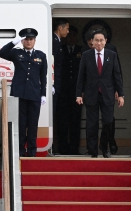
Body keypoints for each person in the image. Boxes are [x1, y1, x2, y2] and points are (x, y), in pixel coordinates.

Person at [0, 28, 47, 157]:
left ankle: (31, 151)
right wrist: (13, 42)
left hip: (35, 94)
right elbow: (1, 53)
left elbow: (43, 77)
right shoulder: (16, 53)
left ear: (35, 40)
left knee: (33, 124)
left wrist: (43, 94)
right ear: (22, 41)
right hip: (20, 93)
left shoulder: (41, 55)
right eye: (26, 39)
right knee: (20, 123)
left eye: (31, 39)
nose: (28, 41)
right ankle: (19, 150)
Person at [76, 29, 124, 158]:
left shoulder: (111, 55)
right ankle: (92, 150)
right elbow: (81, 76)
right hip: (91, 93)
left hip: (107, 93)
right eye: (96, 40)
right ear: (92, 42)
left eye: (101, 40)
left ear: (105, 41)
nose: (99, 43)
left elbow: (117, 76)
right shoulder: (86, 55)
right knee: (92, 123)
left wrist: (120, 94)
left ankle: (104, 146)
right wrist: (79, 94)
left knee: (108, 122)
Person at [58, 26, 83, 155]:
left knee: (75, 121)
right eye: (69, 35)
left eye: (74, 35)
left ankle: (74, 148)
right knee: (62, 121)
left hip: (76, 93)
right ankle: (62, 148)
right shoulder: (60, 49)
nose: (71, 37)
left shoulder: (81, 50)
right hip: (63, 92)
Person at [52, 19, 69, 154]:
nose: (67, 32)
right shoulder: (53, 41)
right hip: (54, 83)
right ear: (60, 28)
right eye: (66, 29)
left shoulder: (58, 42)